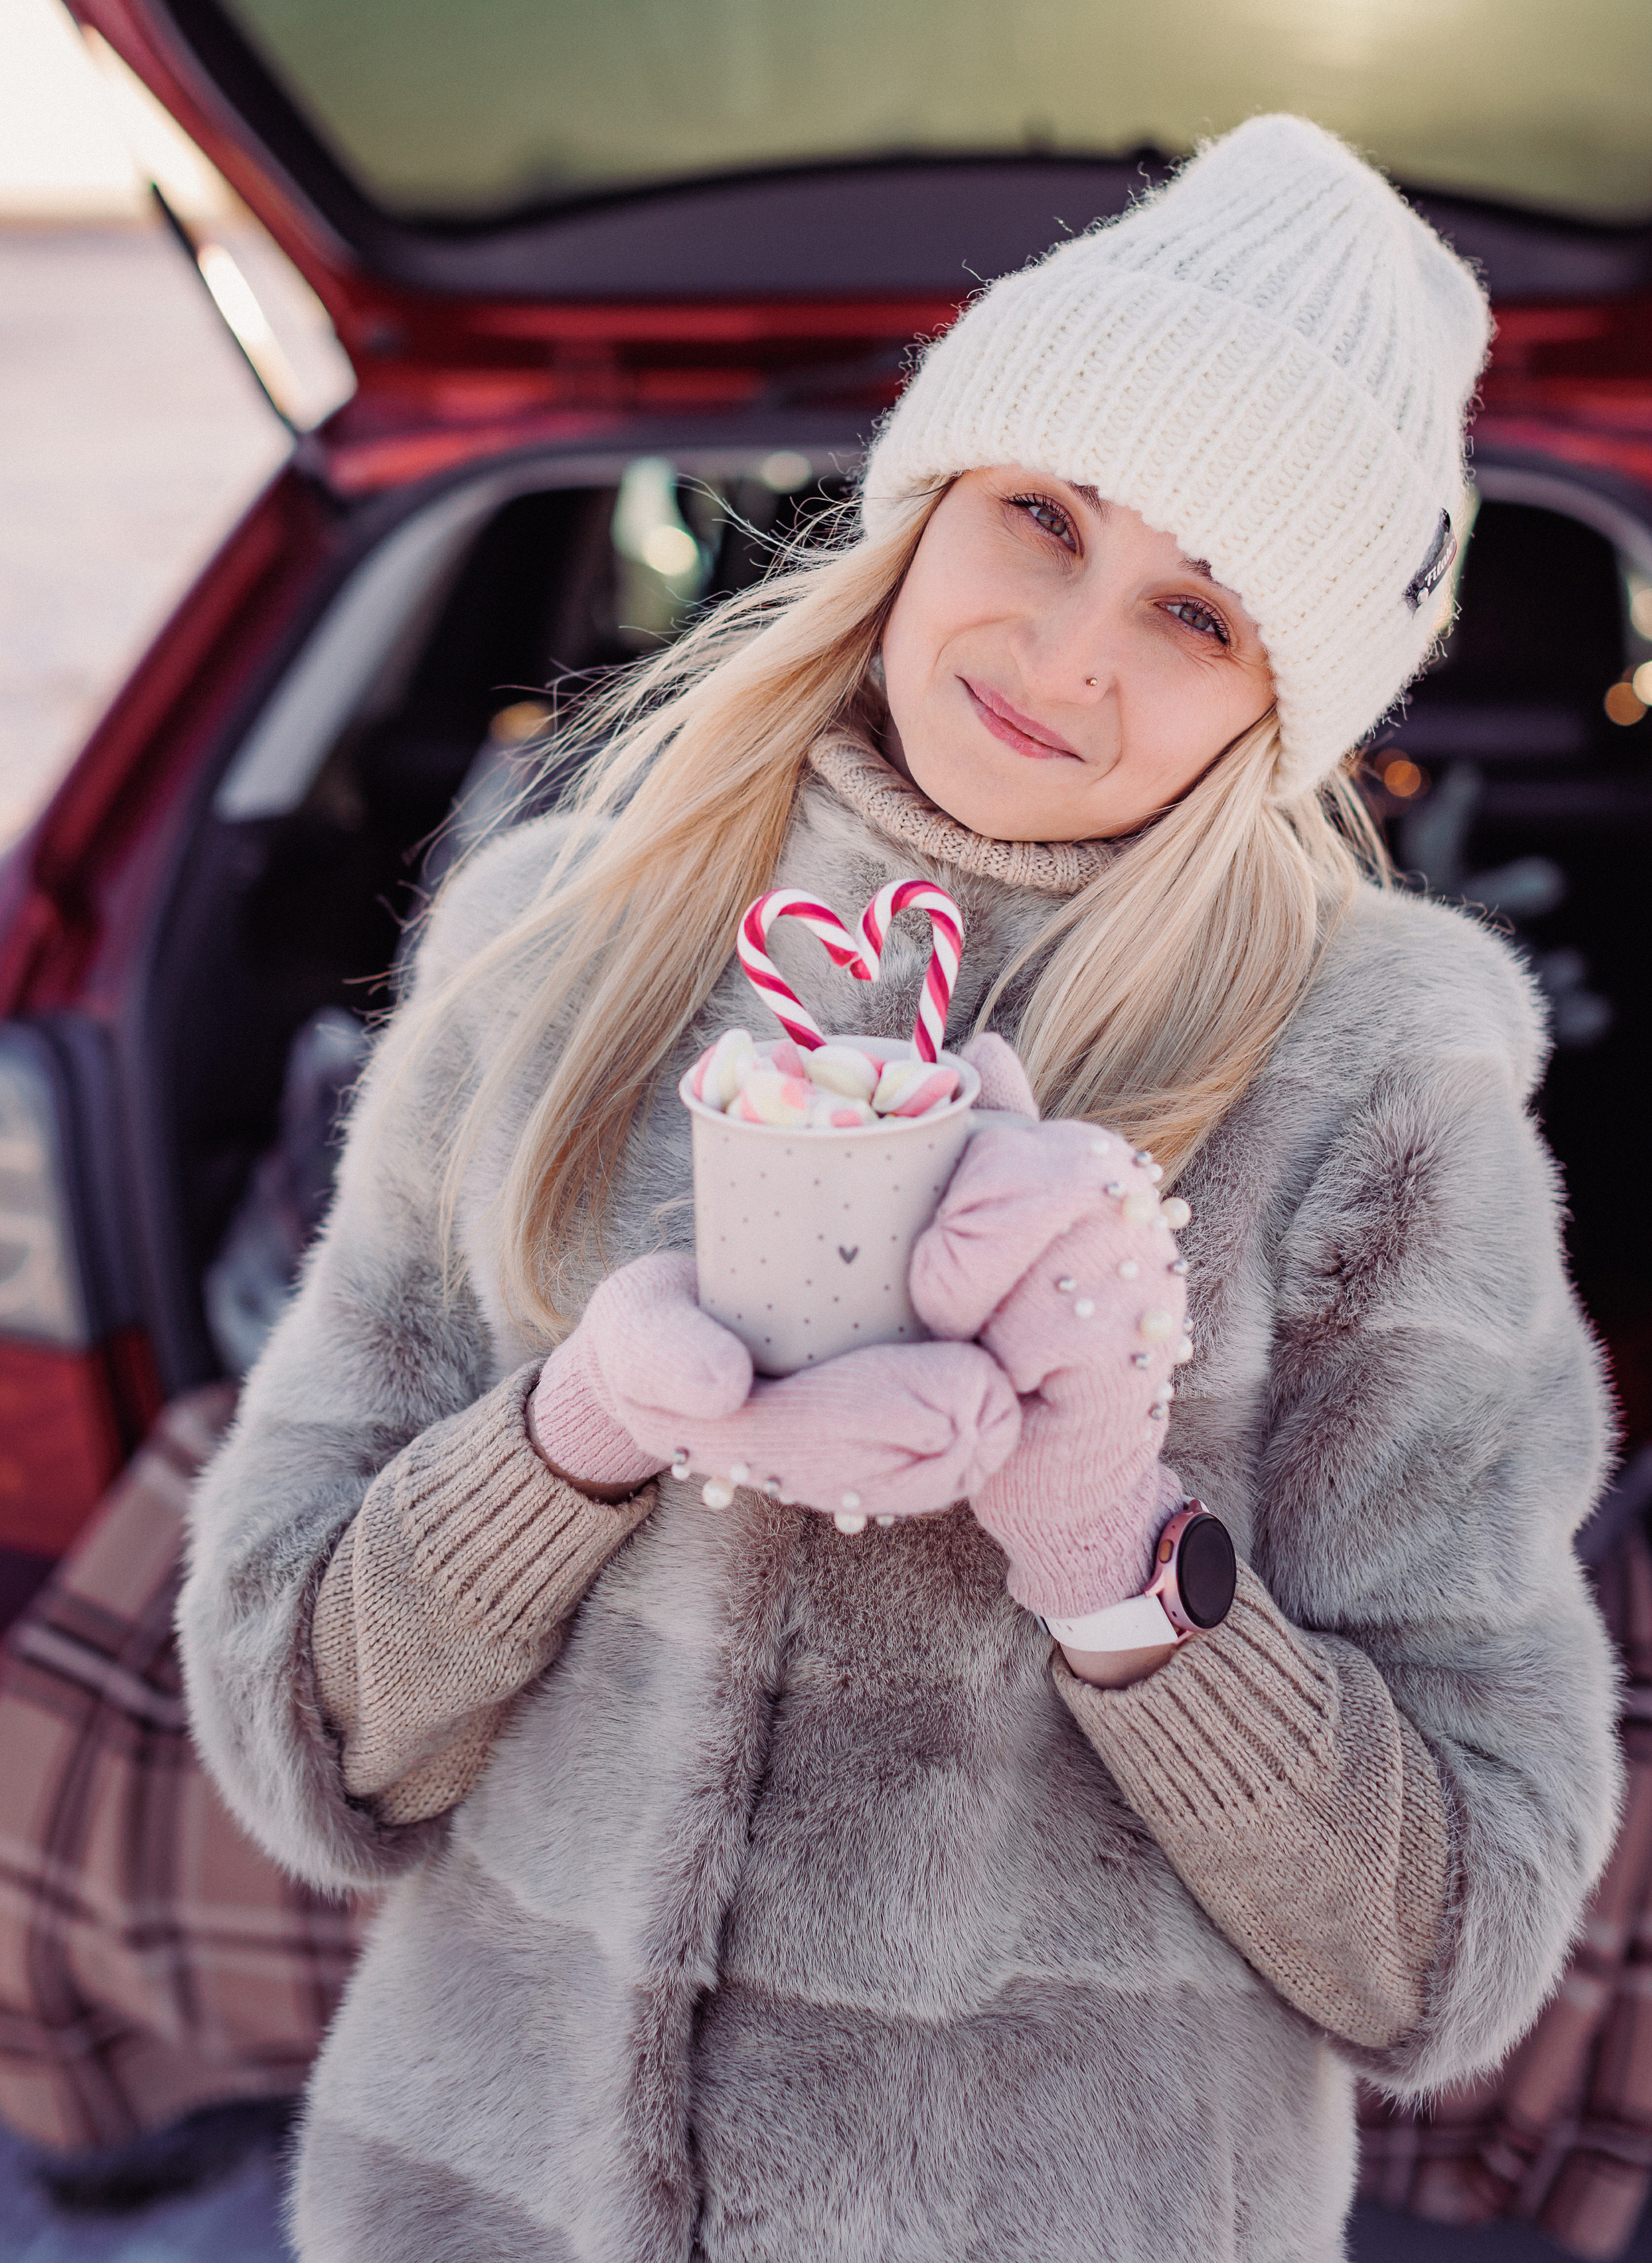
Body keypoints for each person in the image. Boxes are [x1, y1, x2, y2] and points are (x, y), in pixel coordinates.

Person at [178, 114, 1621, 2263]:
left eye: (1199, 613)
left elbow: (1453, 1954)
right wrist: (573, 1441)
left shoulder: (1372, 1091)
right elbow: (303, 1744)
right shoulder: (562, 945)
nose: (1064, 651)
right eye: (1041, 514)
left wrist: (1128, 1571)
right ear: (925, 499)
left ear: (1289, 700)